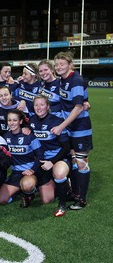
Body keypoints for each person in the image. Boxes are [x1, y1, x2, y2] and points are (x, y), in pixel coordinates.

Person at [51, 51, 93, 210]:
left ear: (70, 65)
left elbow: (78, 107)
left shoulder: (75, 80)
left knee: (82, 163)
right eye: (56, 65)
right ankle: (75, 193)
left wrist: (61, 126)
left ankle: (81, 199)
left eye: (62, 64)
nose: (58, 67)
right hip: (70, 129)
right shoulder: (63, 80)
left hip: (80, 129)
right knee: (75, 161)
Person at [30, 95, 71, 217]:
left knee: (58, 173)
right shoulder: (31, 121)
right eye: (36, 105)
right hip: (42, 160)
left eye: (42, 104)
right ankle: (61, 185)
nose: (39, 107)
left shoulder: (56, 121)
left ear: (48, 106)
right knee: (46, 200)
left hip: (58, 158)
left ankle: (62, 205)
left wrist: (52, 162)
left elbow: (66, 147)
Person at [0, 109, 45, 208]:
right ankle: (20, 190)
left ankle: (29, 193)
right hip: (16, 173)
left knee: (27, 185)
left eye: (15, 120)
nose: (12, 123)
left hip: (30, 171)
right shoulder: (5, 137)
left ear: (21, 121)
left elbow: (40, 155)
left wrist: (32, 170)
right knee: (1, 200)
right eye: (9, 120)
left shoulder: (29, 136)